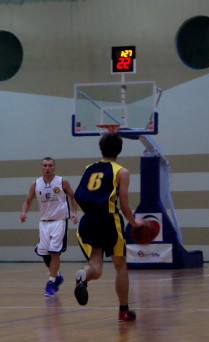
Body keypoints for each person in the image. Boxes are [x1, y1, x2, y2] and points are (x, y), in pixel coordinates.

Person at [73, 133, 142, 322]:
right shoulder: (122, 172)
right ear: (119, 150)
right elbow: (125, 206)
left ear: (101, 148)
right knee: (120, 265)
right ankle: (123, 311)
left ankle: (83, 275)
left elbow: (79, 195)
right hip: (109, 220)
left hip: (87, 220)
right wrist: (135, 224)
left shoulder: (89, 168)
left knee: (95, 267)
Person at [20, 157, 78, 296]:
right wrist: (24, 212)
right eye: (45, 165)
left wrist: (74, 212)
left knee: (54, 251)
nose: (47, 168)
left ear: (54, 167)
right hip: (44, 222)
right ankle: (57, 276)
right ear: (41, 167)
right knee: (44, 253)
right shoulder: (36, 184)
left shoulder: (62, 181)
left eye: (50, 165)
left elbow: (73, 196)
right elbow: (27, 200)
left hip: (59, 221)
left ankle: (51, 282)